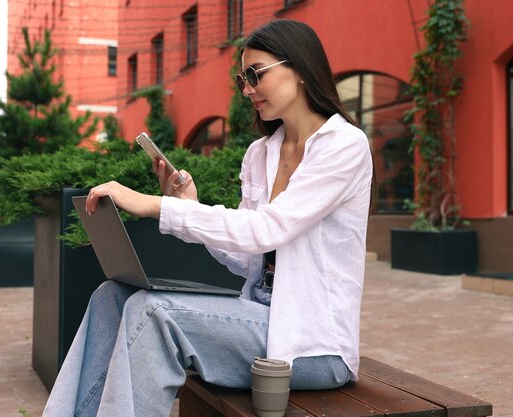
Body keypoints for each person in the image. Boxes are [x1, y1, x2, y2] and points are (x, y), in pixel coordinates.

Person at [42, 18, 374, 417]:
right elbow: (246, 258)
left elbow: (266, 228)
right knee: (111, 297)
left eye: (256, 74)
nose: (247, 88)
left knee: (152, 313)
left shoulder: (344, 147)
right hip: (258, 322)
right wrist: (190, 204)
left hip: (313, 343)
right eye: (241, 78)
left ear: (300, 69)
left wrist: (157, 205)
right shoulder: (261, 153)